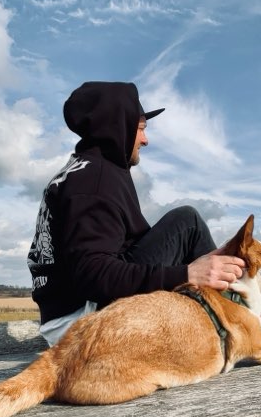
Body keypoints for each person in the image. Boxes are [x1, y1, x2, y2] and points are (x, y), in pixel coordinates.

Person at [27, 80, 244, 345]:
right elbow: (92, 274)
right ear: (115, 127)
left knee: (185, 225)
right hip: (80, 321)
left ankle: (228, 317)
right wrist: (187, 274)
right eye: (140, 128)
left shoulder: (85, 170)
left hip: (68, 313)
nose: (145, 139)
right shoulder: (94, 180)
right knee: (187, 223)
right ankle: (236, 323)